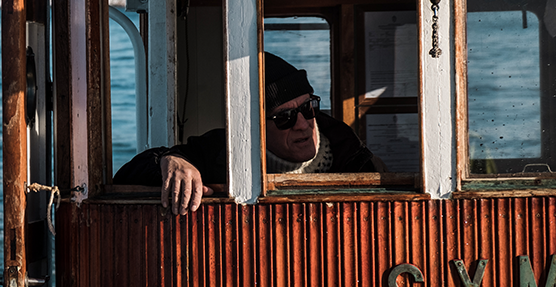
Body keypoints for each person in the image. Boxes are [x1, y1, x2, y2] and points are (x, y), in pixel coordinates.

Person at [113, 52, 381, 215]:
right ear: (255, 128)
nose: (302, 123)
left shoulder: (350, 151)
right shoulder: (219, 152)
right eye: (284, 117)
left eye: (308, 107)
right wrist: (170, 161)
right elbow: (124, 177)